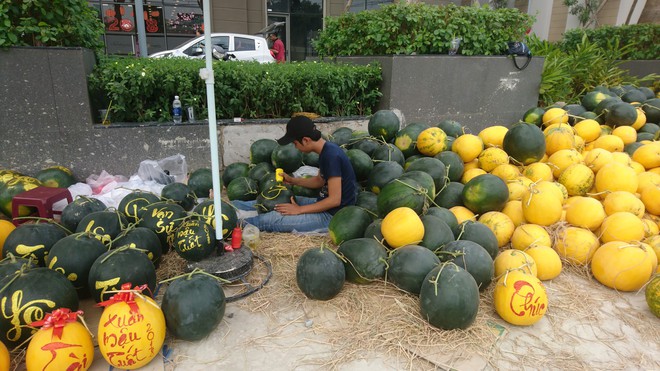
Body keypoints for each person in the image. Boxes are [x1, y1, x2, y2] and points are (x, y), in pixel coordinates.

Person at [232, 116, 358, 233]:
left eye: (295, 143)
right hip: (324, 204)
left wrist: (299, 210)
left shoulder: (332, 156)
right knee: (274, 202)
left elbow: (335, 200)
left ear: (305, 140)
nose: (295, 147)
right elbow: (319, 181)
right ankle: (228, 206)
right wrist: (293, 180)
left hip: (333, 216)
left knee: (271, 220)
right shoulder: (326, 151)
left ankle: (229, 224)